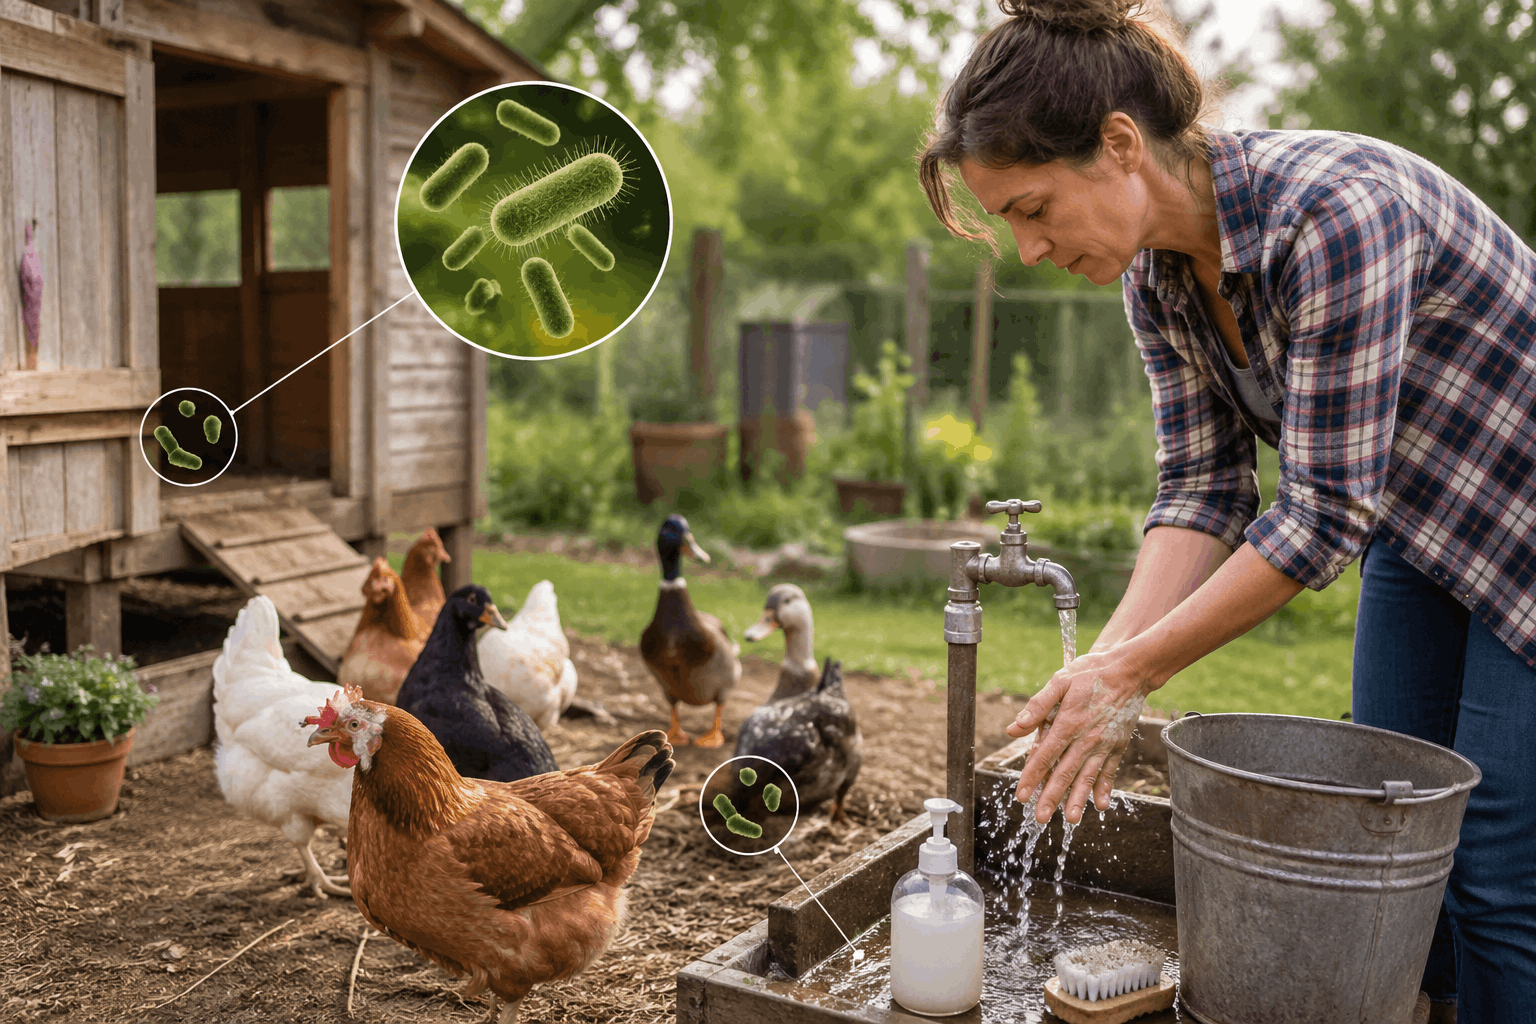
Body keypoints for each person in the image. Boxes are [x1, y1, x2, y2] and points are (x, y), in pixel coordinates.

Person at [916, 0, 1536, 1019]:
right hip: (1420, 530)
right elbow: (1204, 491)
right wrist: (1099, 675)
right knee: (1390, 844)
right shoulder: (1154, 280)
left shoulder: (1338, 212)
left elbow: (1324, 514)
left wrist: (1139, 667)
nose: (1027, 248)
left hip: (1522, 526)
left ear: (1120, 145)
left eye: (1031, 208)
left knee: (1499, 871)